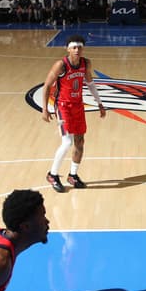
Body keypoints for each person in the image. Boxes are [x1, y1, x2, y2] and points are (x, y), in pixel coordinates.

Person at [41, 35, 107, 191]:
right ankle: (52, 174)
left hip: (78, 105)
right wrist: (45, 109)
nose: (77, 50)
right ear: (68, 49)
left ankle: (73, 175)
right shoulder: (61, 65)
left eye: (80, 47)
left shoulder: (86, 63)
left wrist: (99, 103)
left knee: (80, 142)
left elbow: (90, 83)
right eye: (74, 47)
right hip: (63, 106)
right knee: (67, 142)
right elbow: (47, 86)